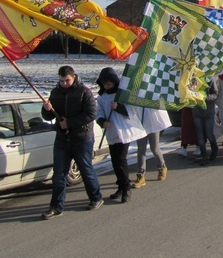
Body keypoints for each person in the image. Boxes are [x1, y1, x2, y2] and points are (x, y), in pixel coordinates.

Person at [40, 65, 103, 219]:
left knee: (85, 169)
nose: (64, 84)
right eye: (61, 81)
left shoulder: (84, 92)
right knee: (59, 174)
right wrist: (46, 109)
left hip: (82, 138)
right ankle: (56, 206)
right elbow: (48, 117)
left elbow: (90, 114)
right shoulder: (55, 93)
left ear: (73, 77)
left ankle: (96, 197)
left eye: (67, 80)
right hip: (62, 139)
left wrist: (69, 123)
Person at [95, 67, 147, 203]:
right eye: (104, 84)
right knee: (115, 161)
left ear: (114, 83)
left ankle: (126, 188)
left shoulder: (122, 95)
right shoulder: (102, 98)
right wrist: (102, 122)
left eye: (109, 84)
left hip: (124, 131)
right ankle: (120, 186)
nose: (106, 87)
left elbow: (131, 112)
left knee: (121, 160)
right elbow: (99, 112)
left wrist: (117, 107)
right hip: (111, 132)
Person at [132, 105, 171, 188]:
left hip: (153, 123)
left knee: (154, 148)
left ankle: (162, 166)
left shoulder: (153, 93)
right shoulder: (136, 93)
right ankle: (140, 175)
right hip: (140, 124)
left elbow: (160, 105)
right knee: (141, 149)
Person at [192, 77, 220, 166]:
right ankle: (204, 156)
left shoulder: (209, 79)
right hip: (197, 112)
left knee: (209, 134)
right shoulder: (192, 80)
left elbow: (216, 94)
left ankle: (214, 148)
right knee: (200, 135)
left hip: (208, 111)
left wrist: (205, 97)